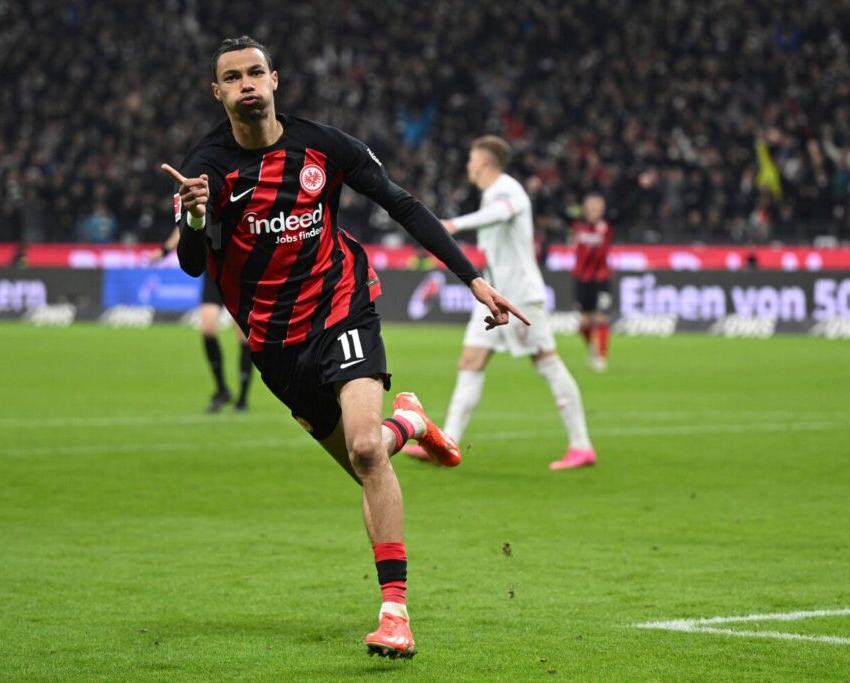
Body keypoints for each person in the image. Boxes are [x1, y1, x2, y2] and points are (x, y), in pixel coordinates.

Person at [163, 37, 528, 659]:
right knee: (367, 461)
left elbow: (401, 203)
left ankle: (395, 614)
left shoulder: (324, 146)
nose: (247, 84)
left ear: (274, 80)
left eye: (256, 72)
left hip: (340, 308)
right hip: (274, 345)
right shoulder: (206, 169)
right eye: (234, 77)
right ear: (217, 91)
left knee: (364, 448)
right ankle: (409, 423)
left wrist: (473, 279)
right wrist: (195, 217)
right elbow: (194, 265)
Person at [404, 135, 596, 471]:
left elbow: (501, 213)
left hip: (520, 295)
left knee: (547, 361)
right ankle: (447, 442)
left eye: (471, 160)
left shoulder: (507, 190)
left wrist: (453, 225)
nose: (468, 166)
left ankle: (581, 446)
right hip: (494, 294)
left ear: (484, 162)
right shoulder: (492, 193)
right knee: (471, 360)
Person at [160, 205, 254, 413]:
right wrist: (165, 249)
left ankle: (242, 397)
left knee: (243, 336)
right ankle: (221, 389)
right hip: (213, 270)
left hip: (239, 270)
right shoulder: (207, 194)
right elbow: (185, 222)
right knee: (208, 328)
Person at [571, 192, 613, 371]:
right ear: (585, 208)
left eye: (598, 205)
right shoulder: (578, 227)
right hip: (582, 279)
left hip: (602, 279)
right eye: (592, 205)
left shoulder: (607, 227)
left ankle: (601, 358)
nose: (595, 209)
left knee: (601, 317)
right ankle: (593, 348)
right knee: (585, 323)